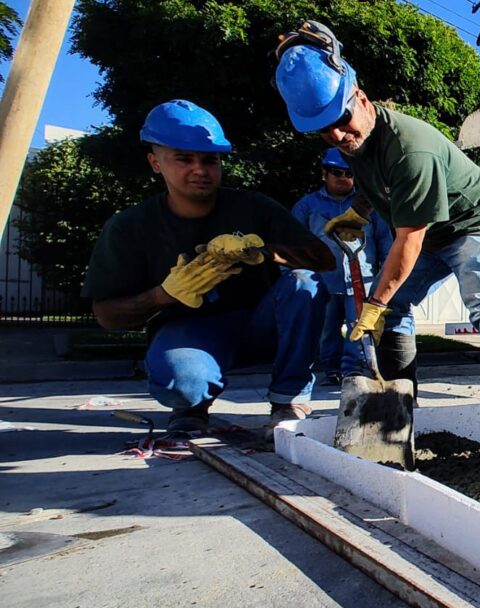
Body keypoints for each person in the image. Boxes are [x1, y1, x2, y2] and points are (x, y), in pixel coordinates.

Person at [271, 21, 480, 453]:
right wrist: (356, 215)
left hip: (472, 220)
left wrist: (373, 304)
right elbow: (377, 188)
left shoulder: (410, 148)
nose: (336, 136)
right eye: (323, 131)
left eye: (341, 120)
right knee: (395, 308)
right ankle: (398, 421)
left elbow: (408, 239)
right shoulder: (354, 145)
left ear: (360, 98)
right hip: (431, 231)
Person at [81, 99, 334, 436]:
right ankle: (191, 406)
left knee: (304, 283)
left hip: (259, 324)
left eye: (209, 160)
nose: (200, 169)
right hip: (191, 330)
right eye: (184, 159)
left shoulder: (254, 207)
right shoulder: (129, 227)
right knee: (181, 381)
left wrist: (263, 250)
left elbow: (323, 260)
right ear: (155, 163)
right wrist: (164, 294)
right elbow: (107, 316)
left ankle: (288, 400)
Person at [291, 147, 393, 385]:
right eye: (337, 172)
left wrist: (385, 272)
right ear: (324, 173)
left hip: (362, 280)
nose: (343, 178)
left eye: (349, 173)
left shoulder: (367, 204)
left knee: (359, 326)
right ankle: (331, 369)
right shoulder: (308, 205)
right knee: (327, 328)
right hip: (322, 280)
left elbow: (385, 240)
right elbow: (292, 241)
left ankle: (353, 371)